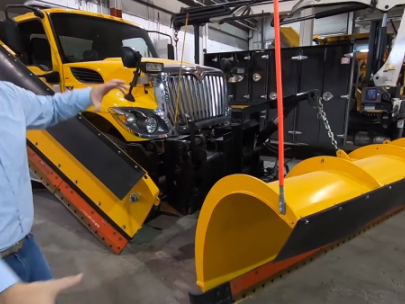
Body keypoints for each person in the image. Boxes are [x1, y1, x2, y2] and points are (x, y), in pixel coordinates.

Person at [0, 79, 128, 304]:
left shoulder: (6, 95)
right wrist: (7, 289)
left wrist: (91, 94)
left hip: (25, 247)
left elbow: (50, 108)